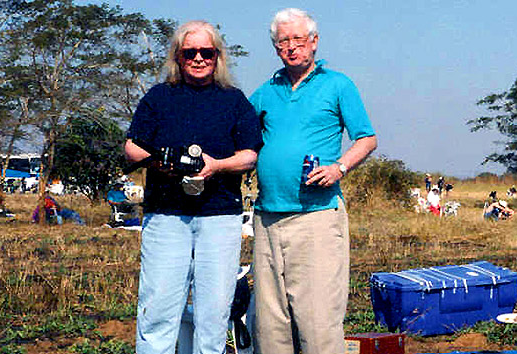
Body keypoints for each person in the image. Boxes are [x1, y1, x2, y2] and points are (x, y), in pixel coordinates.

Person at [124, 20, 262, 354]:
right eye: (190, 52)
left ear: (218, 56)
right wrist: (160, 162)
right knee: (157, 309)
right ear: (178, 56)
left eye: (206, 52)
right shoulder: (158, 97)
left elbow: (249, 155)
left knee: (214, 313)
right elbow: (131, 147)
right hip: (166, 217)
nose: (198, 58)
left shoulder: (234, 100)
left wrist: (216, 166)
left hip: (219, 218)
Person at [247, 8, 377, 354]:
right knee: (269, 324)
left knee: (318, 321)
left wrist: (340, 168)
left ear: (314, 42)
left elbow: (366, 138)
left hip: (317, 217)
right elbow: (240, 138)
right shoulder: (264, 92)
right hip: (266, 219)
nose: (291, 47)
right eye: (283, 41)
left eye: (298, 40)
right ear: (275, 47)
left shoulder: (338, 84)